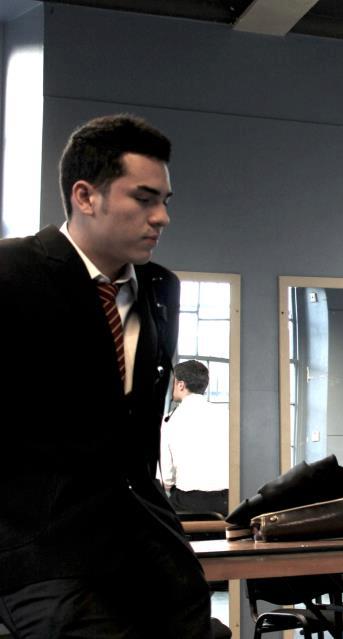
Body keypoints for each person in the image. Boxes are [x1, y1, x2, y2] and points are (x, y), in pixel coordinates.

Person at [0, 115, 212, 638]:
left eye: (165, 200)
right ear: (85, 196)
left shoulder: (160, 288)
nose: (162, 217)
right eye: (144, 198)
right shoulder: (13, 272)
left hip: (150, 547)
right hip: (44, 556)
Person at [159, 360, 230, 516]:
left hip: (188, 503)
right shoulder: (226, 414)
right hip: (227, 502)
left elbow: (166, 479)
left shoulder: (169, 420)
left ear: (181, 385)